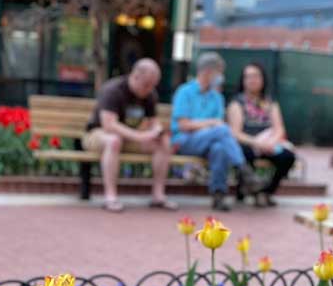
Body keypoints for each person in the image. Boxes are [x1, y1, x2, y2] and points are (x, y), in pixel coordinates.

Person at [171, 51, 260, 212]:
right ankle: (243, 169)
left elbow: (217, 129)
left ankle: (218, 195)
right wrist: (210, 123)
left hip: (209, 139)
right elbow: (183, 125)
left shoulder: (217, 97)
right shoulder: (184, 92)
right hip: (183, 140)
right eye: (219, 72)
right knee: (222, 130)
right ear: (208, 71)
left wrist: (211, 126)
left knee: (219, 149)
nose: (221, 77)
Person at [82, 58, 174, 212]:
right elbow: (109, 125)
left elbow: (153, 122)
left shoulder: (150, 94)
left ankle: (158, 196)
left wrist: (157, 131)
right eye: (146, 84)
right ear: (135, 76)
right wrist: (140, 136)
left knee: (163, 142)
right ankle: (110, 197)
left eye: (153, 85)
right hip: (98, 134)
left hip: (130, 138)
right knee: (114, 141)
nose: (149, 89)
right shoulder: (113, 90)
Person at [226, 63, 294, 207]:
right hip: (248, 143)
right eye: (248, 76)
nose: (252, 80)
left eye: (256, 76)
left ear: (263, 79)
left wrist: (271, 143)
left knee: (287, 156)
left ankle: (266, 191)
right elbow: (235, 133)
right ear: (243, 80)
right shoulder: (236, 103)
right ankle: (248, 189)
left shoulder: (270, 102)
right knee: (244, 152)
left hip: (269, 143)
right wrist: (257, 143)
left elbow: (279, 128)